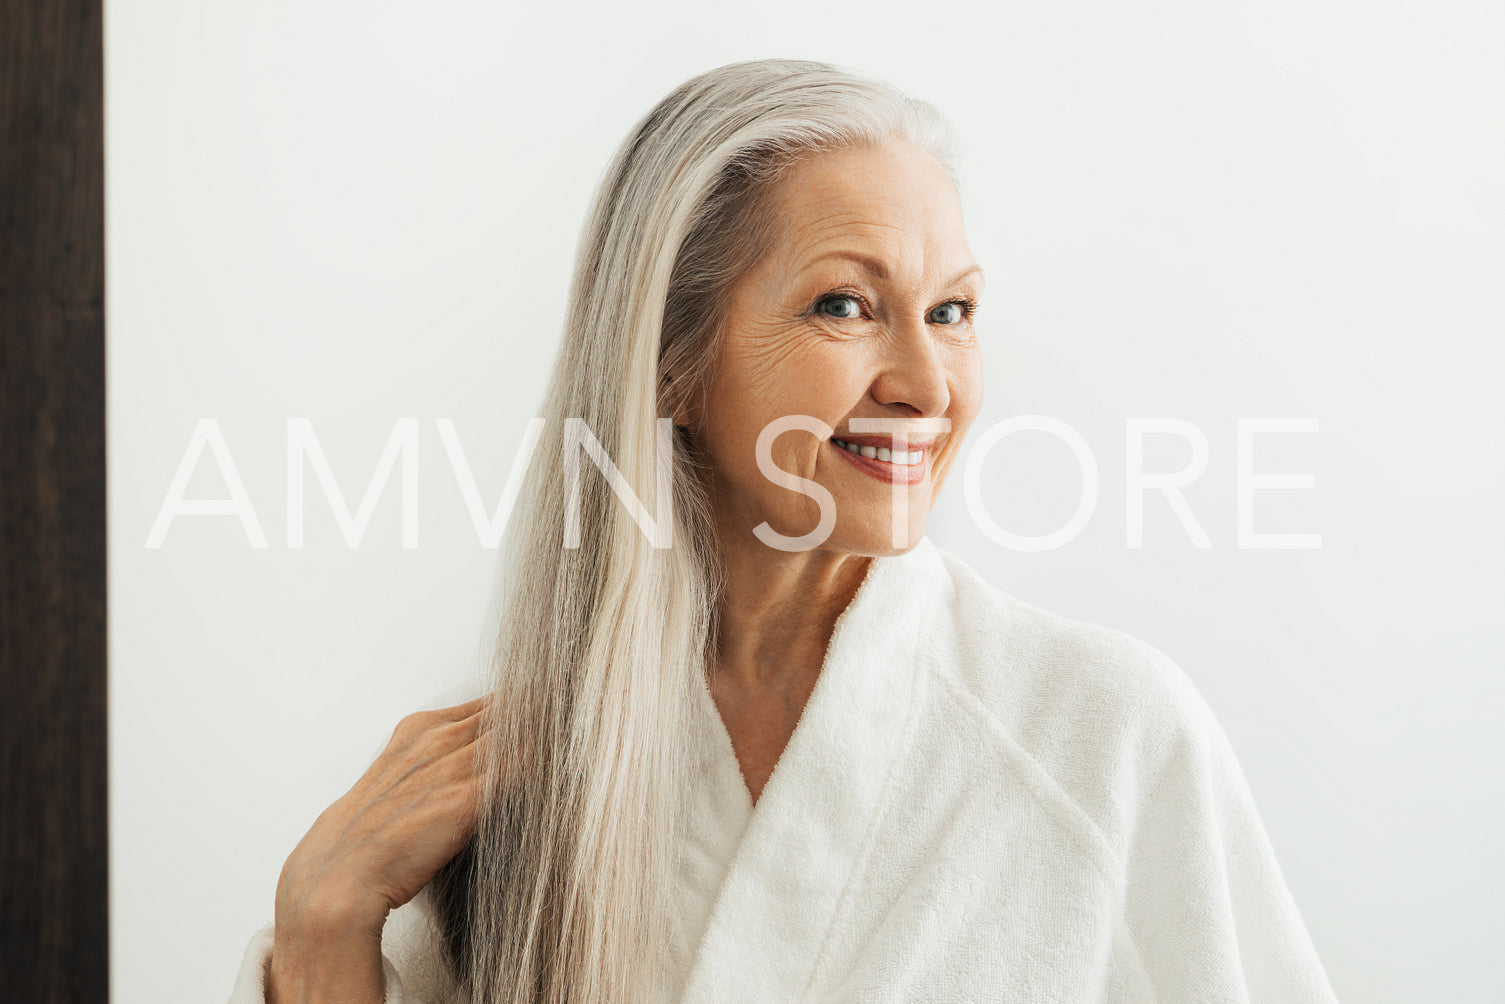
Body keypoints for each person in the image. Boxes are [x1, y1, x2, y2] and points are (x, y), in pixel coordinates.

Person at [230, 58, 1340, 1003]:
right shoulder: (517, 777)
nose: (924, 384)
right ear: (669, 360)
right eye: (844, 305)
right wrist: (323, 929)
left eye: (950, 312)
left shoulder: (1103, 737)